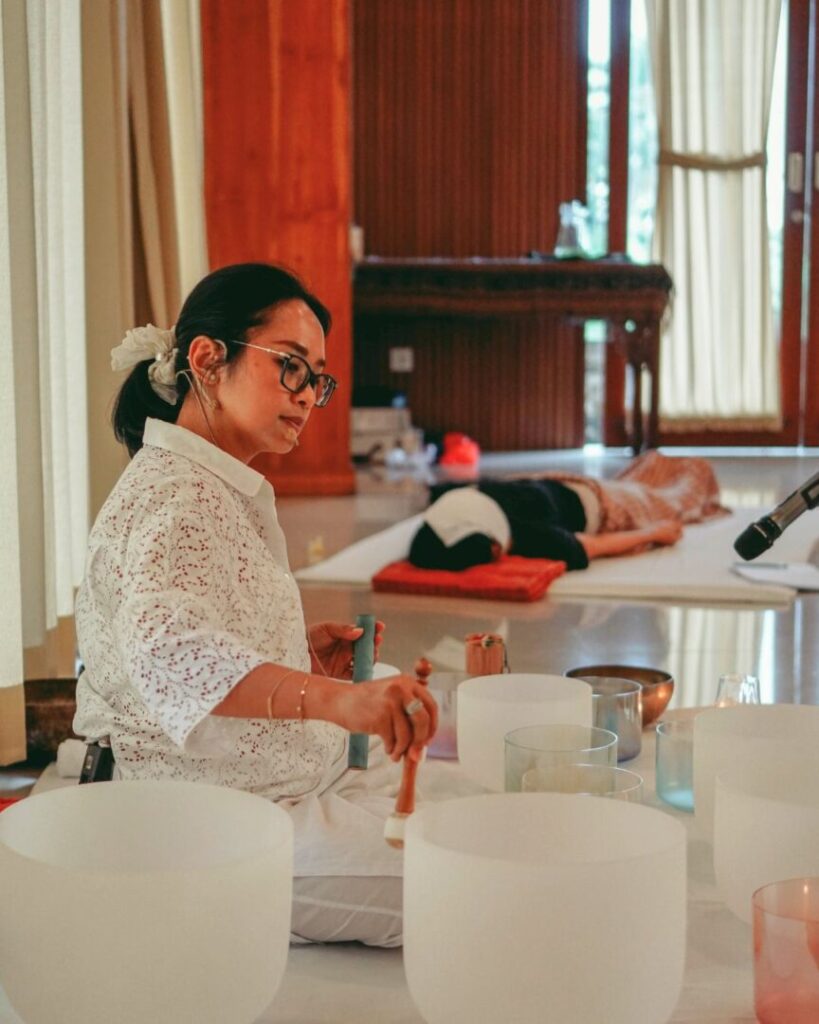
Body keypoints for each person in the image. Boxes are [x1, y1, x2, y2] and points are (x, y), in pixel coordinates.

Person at [74, 263, 439, 948]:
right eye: (291, 368)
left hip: (284, 770)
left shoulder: (210, 480)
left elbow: (193, 624)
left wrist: (292, 651)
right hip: (216, 812)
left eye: (317, 379)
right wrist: (329, 700)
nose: (307, 396)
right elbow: (168, 653)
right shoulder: (175, 494)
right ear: (209, 360)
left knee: (428, 762)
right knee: (466, 883)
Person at [409, 452, 727, 571]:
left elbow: (591, 547)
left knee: (667, 480)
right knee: (669, 478)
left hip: (594, 496)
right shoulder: (459, 499)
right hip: (585, 496)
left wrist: (656, 532)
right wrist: (656, 532)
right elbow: (593, 546)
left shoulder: (518, 529)